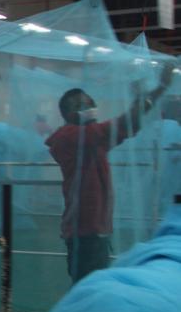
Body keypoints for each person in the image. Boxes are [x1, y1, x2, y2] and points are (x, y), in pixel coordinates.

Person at [46, 62, 176, 282]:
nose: (90, 109)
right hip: (84, 230)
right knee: (88, 286)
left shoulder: (89, 140)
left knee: (91, 284)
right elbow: (121, 124)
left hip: (95, 227)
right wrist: (161, 87)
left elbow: (128, 127)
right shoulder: (70, 137)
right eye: (82, 106)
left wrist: (139, 99)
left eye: (91, 104)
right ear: (68, 114)